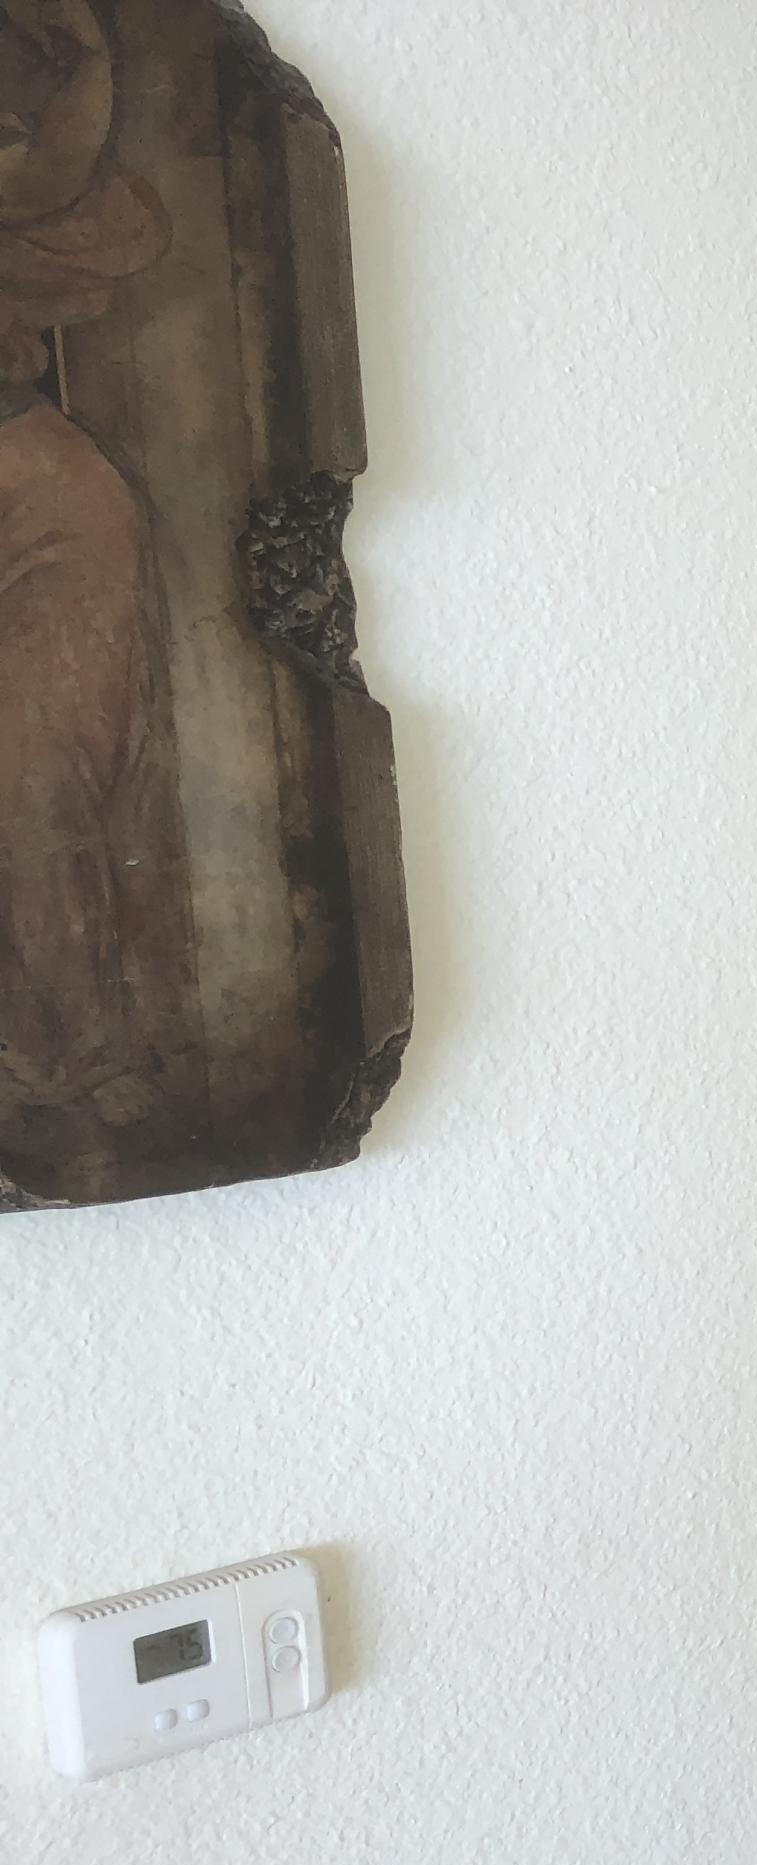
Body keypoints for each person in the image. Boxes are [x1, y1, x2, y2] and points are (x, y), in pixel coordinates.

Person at [0, 0, 183, 1199]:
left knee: (31, 780)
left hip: (38, 505)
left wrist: (74, 79)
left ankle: (62, 1078)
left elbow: (126, 228)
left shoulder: (35, 204)